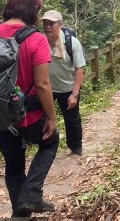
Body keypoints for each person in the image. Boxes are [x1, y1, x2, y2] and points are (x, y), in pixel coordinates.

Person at [0, 0, 58, 217]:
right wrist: (52, 117)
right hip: (27, 115)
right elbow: (42, 85)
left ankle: (21, 213)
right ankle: (30, 196)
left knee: (13, 160)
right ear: (34, 10)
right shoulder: (36, 38)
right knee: (50, 142)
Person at [41, 10, 85, 156]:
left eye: (51, 23)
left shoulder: (72, 43)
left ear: (60, 24)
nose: (47, 26)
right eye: (45, 23)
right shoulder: (40, 42)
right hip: (47, 89)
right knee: (43, 118)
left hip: (68, 88)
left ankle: (76, 148)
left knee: (72, 120)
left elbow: (79, 69)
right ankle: (47, 146)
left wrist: (74, 94)